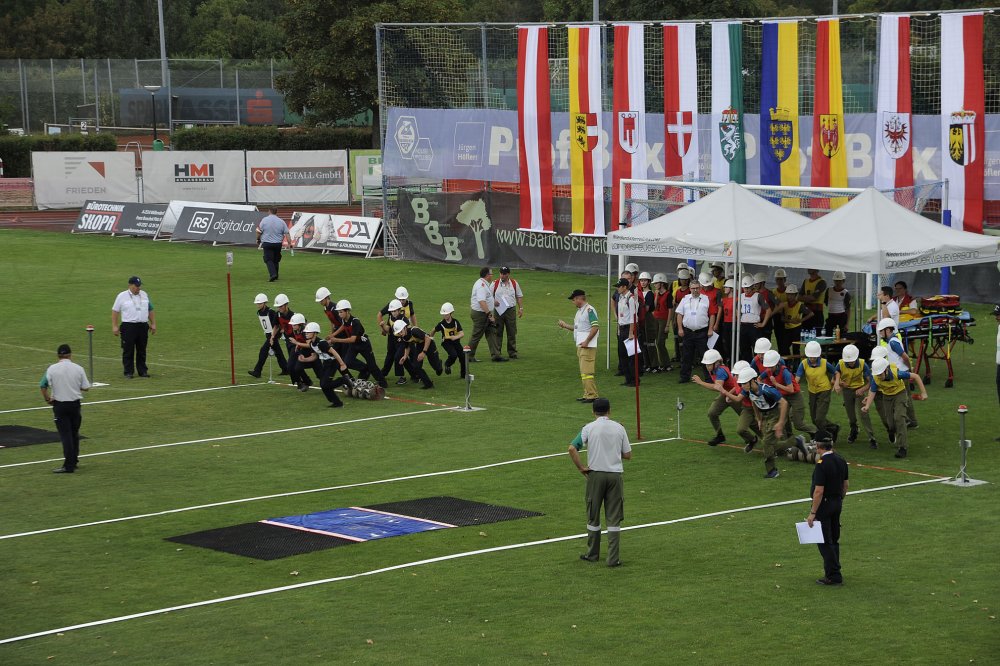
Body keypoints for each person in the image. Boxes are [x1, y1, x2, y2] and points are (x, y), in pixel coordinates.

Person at [567, 397, 631, 567]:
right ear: (609, 411)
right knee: (614, 518)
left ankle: (592, 554)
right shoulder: (619, 428)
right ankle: (613, 559)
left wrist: (581, 468)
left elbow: (572, 448)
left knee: (593, 515)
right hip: (615, 476)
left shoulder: (588, 428)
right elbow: (627, 455)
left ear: (593, 412)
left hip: (595, 476)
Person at [736, 367, 808, 478]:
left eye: (744, 383)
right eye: (741, 384)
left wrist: (780, 423)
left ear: (752, 380)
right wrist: (759, 419)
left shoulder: (767, 390)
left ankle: (772, 471)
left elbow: (784, 403)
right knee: (770, 444)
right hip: (765, 416)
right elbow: (754, 402)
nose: (742, 386)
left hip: (775, 415)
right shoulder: (748, 391)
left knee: (766, 443)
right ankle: (795, 441)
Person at [40, 344, 91, 473]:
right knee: (74, 433)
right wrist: (73, 386)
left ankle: (69, 466)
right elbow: (86, 387)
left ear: (58, 355)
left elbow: (43, 385)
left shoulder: (51, 369)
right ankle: (74, 461)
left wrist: (47, 399)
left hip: (60, 405)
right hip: (75, 405)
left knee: (66, 435)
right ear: (70, 355)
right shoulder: (78, 368)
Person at [806, 435, 849, 586]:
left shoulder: (822, 464)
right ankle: (834, 570)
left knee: (824, 540)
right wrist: (839, 499)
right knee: (834, 539)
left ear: (819, 447)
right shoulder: (841, 459)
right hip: (837, 502)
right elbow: (845, 485)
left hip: (824, 505)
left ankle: (833, 575)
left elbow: (818, 491)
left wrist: (813, 513)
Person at [863, 357, 927, 458]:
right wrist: (867, 406)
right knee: (890, 423)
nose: (879, 377)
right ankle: (891, 430)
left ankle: (902, 448)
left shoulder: (897, 373)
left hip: (900, 394)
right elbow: (872, 391)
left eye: (880, 374)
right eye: (877, 375)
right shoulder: (876, 378)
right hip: (887, 397)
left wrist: (923, 393)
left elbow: (916, 376)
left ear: (886, 370)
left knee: (899, 418)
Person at [693, 349, 752, 448]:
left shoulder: (720, 371)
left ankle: (753, 439)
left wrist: (701, 382)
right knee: (712, 413)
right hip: (725, 394)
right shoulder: (713, 370)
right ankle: (720, 435)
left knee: (749, 420)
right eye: (706, 364)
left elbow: (717, 387)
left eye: (709, 364)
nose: (707, 367)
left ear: (716, 363)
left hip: (735, 395)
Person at [759, 349, 817, 441]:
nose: (769, 369)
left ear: (777, 364)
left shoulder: (785, 373)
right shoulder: (768, 371)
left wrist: (776, 384)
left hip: (795, 396)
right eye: (768, 367)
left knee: (798, 424)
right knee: (783, 420)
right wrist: (764, 387)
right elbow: (759, 379)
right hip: (783, 396)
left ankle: (815, 432)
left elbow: (791, 389)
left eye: (771, 367)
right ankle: (789, 439)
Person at [333, 300, 388, 388]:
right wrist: (333, 335)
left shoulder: (355, 322)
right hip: (354, 346)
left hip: (363, 345)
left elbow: (352, 339)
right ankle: (365, 369)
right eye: (338, 312)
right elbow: (343, 326)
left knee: (372, 365)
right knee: (348, 362)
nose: (339, 314)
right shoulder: (344, 319)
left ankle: (383, 383)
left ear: (347, 311)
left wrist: (336, 339)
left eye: (341, 312)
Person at [559, 289, 600, 403]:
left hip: (587, 346)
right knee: (584, 372)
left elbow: (595, 327)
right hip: (581, 345)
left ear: (579, 298)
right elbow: (578, 329)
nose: (573, 302)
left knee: (587, 372)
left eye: (573, 300)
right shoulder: (580, 311)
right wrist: (565, 325)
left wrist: (587, 341)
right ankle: (587, 393)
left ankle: (592, 395)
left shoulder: (589, 310)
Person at [877, 317, 919, 429]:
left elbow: (905, 357)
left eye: (881, 331)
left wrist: (909, 368)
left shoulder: (893, 343)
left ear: (888, 330)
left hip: (900, 373)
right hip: (900, 371)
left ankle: (911, 421)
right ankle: (911, 421)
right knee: (906, 397)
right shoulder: (892, 341)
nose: (880, 333)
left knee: (904, 397)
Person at [833, 344, 877, 449]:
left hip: (859, 390)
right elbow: (834, 378)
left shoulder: (862, 364)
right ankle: (854, 429)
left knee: (864, 414)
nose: (850, 363)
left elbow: (871, 382)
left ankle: (871, 437)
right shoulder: (840, 364)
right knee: (851, 416)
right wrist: (839, 383)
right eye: (848, 361)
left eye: (852, 361)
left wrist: (863, 389)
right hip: (847, 391)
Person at [111, 275, 156, 379]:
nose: (138, 288)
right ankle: (128, 372)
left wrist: (153, 323)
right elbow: (115, 311)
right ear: (130, 285)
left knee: (142, 350)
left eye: (139, 286)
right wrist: (115, 326)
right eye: (136, 286)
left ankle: (142, 371)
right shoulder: (121, 296)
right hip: (128, 326)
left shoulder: (144, 294)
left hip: (143, 326)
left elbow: (150, 309)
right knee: (128, 350)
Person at [795, 341, 840, 440]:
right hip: (812, 391)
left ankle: (824, 437)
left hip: (824, 390)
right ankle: (833, 428)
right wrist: (794, 388)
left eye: (814, 357)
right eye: (810, 357)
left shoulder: (824, 363)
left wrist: (836, 383)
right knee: (814, 419)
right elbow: (797, 378)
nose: (812, 359)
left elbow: (836, 373)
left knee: (819, 418)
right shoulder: (803, 364)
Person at [298, 322, 349, 407]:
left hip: (332, 362)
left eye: (308, 332)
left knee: (325, 384)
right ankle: (337, 403)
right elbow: (314, 356)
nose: (306, 334)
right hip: (326, 363)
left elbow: (334, 352)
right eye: (306, 332)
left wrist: (342, 364)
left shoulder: (321, 343)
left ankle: (343, 380)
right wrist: (305, 360)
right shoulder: (312, 344)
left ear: (315, 333)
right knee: (323, 384)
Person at [675, 278, 711, 384]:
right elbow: (679, 314)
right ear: (690, 289)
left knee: (705, 356)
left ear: (700, 288)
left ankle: (709, 378)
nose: (695, 290)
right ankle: (684, 377)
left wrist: (710, 328)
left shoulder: (706, 299)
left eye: (697, 288)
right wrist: (680, 328)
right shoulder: (685, 299)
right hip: (688, 332)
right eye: (693, 288)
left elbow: (712, 314)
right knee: (686, 356)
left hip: (702, 332)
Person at [393, 319, 441, 389]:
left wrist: (423, 352)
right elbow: (407, 346)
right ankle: (428, 384)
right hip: (419, 345)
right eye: (398, 332)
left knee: (437, 368)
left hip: (429, 344)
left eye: (401, 331)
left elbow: (428, 338)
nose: (400, 334)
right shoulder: (404, 336)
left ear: (405, 327)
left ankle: (439, 365)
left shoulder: (414, 331)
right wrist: (405, 356)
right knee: (416, 366)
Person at [249, 293, 288, 378]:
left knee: (263, 351)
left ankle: (257, 371)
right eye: (257, 303)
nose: (258, 305)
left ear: (264, 303)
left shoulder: (271, 312)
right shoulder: (259, 312)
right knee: (278, 352)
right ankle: (286, 369)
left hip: (274, 335)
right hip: (268, 335)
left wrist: (279, 331)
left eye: (260, 303)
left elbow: (278, 323)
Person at [469, 267, 501, 362]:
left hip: (483, 313)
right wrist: (489, 315)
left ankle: (496, 355)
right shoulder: (481, 286)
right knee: (477, 335)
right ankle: (468, 356)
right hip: (481, 314)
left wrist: (493, 302)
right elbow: (481, 301)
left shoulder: (484, 284)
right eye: (491, 274)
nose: (492, 275)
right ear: (487, 275)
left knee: (492, 333)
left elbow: (486, 298)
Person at [377, 295, 412, 385]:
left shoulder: (404, 319)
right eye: (392, 311)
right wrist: (382, 326)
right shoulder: (390, 318)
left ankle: (401, 377)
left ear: (399, 310)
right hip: (392, 339)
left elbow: (408, 332)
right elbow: (388, 329)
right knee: (390, 356)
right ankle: (383, 373)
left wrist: (405, 340)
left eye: (395, 311)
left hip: (402, 341)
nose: (393, 313)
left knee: (398, 357)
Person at [491, 267, 524, 360]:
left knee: (512, 332)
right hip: (498, 311)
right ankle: (497, 352)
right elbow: (488, 296)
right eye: (501, 273)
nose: (502, 275)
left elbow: (519, 296)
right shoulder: (494, 283)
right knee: (498, 331)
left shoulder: (514, 283)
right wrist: (493, 301)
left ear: (508, 274)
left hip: (510, 310)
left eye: (504, 274)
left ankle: (512, 352)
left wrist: (521, 308)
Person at [771, 284, 812, 357]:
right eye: (788, 294)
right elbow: (782, 319)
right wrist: (790, 321)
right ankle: (788, 362)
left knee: (796, 348)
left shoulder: (799, 305)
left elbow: (811, 313)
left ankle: (796, 363)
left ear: (795, 295)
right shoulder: (785, 305)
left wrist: (801, 320)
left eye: (791, 295)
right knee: (784, 348)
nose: (789, 296)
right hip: (787, 329)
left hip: (796, 329)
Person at [738, 275, 771, 362]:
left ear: (752, 286)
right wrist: (739, 319)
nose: (746, 290)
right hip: (744, 326)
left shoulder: (758, 296)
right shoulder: (741, 296)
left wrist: (763, 324)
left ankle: (757, 366)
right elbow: (737, 309)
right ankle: (747, 365)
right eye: (744, 288)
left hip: (754, 326)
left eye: (748, 287)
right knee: (744, 348)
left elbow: (768, 310)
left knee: (757, 349)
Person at [614, 278, 640, 387]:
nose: (617, 288)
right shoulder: (621, 298)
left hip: (629, 329)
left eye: (619, 286)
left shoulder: (630, 298)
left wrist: (631, 332)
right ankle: (628, 378)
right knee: (622, 355)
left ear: (624, 287)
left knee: (631, 356)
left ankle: (634, 380)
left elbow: (633, 317)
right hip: (622, 328)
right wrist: (619, 328)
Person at [256, 207, 292, 282]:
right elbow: (287, 233)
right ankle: (276, 275)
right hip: (278, 244)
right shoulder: (281, 221)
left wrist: (258, 239)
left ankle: (273, 274)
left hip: (267, 243)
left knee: (268, 259)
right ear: (276, 212)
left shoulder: (264, 220)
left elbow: (258, 231)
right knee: (276, 259)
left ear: (269, 211)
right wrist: (289, 243)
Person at [434, 302, 467, 379]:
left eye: (446, 314)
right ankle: (447, 364)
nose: (445, 316)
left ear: (451, 313)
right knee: (453, 355)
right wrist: (430, 337)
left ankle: (463, 375)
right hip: (446, 343)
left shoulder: (455, 322)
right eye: (443, 314)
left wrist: (455, 337)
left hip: (456, 342)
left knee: (463, 356)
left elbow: (462, 334)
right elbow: (434, 330)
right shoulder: (441, 324)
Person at [636, 272, 658, 373]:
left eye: (645, 280)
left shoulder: (649, 294)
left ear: (649, 282)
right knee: (643, 343)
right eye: (641, 280)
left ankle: (654, 364)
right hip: (642, 319)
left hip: (648, 319)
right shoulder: (639, 292)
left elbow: (647, 308)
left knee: (650, 343)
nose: (643, 282)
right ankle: (647, 364)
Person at [651, 273, 673, 372]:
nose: (654, 285)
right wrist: (656, 296)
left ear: (662, 283)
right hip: (655, 319)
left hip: (663, 320)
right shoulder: (656, 294)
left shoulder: (668, 295)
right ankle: (663, 364)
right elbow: (654, 307)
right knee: (658, 342)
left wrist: (667, 325)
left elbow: (670, 310)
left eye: (656, 283)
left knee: (660, 342)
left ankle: (666, 363)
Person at [800, 269, 827, 335]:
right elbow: (798, 297)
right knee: (805, 336)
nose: (809, 268)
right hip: (806, 313)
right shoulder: (806, 281)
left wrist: (804, 297)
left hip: (817, 314)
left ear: (817, 270)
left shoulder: (822, 282)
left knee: (816, 336)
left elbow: (814, 298)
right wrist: (808, 298)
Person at [825, 271, 851, 336]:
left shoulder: (846, 293)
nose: (837, 283)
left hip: (841, 316)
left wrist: (847, 324)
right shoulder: (829, 290)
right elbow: (826, 302)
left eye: (839, 281)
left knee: (842, 335)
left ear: (843, 281)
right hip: (831, 316)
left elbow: (848, 309)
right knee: (828, 334)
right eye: (836, 281)